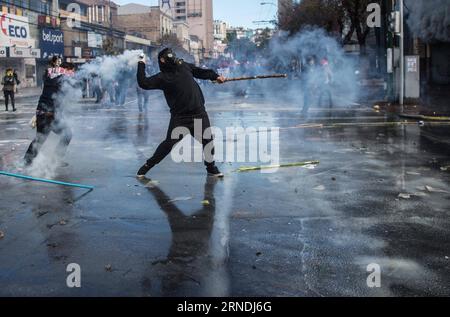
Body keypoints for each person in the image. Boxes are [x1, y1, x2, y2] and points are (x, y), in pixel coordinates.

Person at [136, 48, 226, 178]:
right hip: (180, 117)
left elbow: (200, 72)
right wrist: (141, 63)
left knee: (208, 141)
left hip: (198, 112)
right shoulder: (162, 77)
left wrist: (216, 76)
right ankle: (147, 166)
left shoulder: (183, 66)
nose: (174, 58)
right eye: (169, 56)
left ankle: (211, 168)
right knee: (168, 144)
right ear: (162, 60)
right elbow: (143, 83)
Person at [24, 56, 74, 166]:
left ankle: (27, 161)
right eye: (72, 71)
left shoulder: (52, 78)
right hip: (49, 114)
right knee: (66, 134)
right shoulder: (61, 79)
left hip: (44, 111)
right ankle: (55, 159)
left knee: (40, 139)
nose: (72, 74)